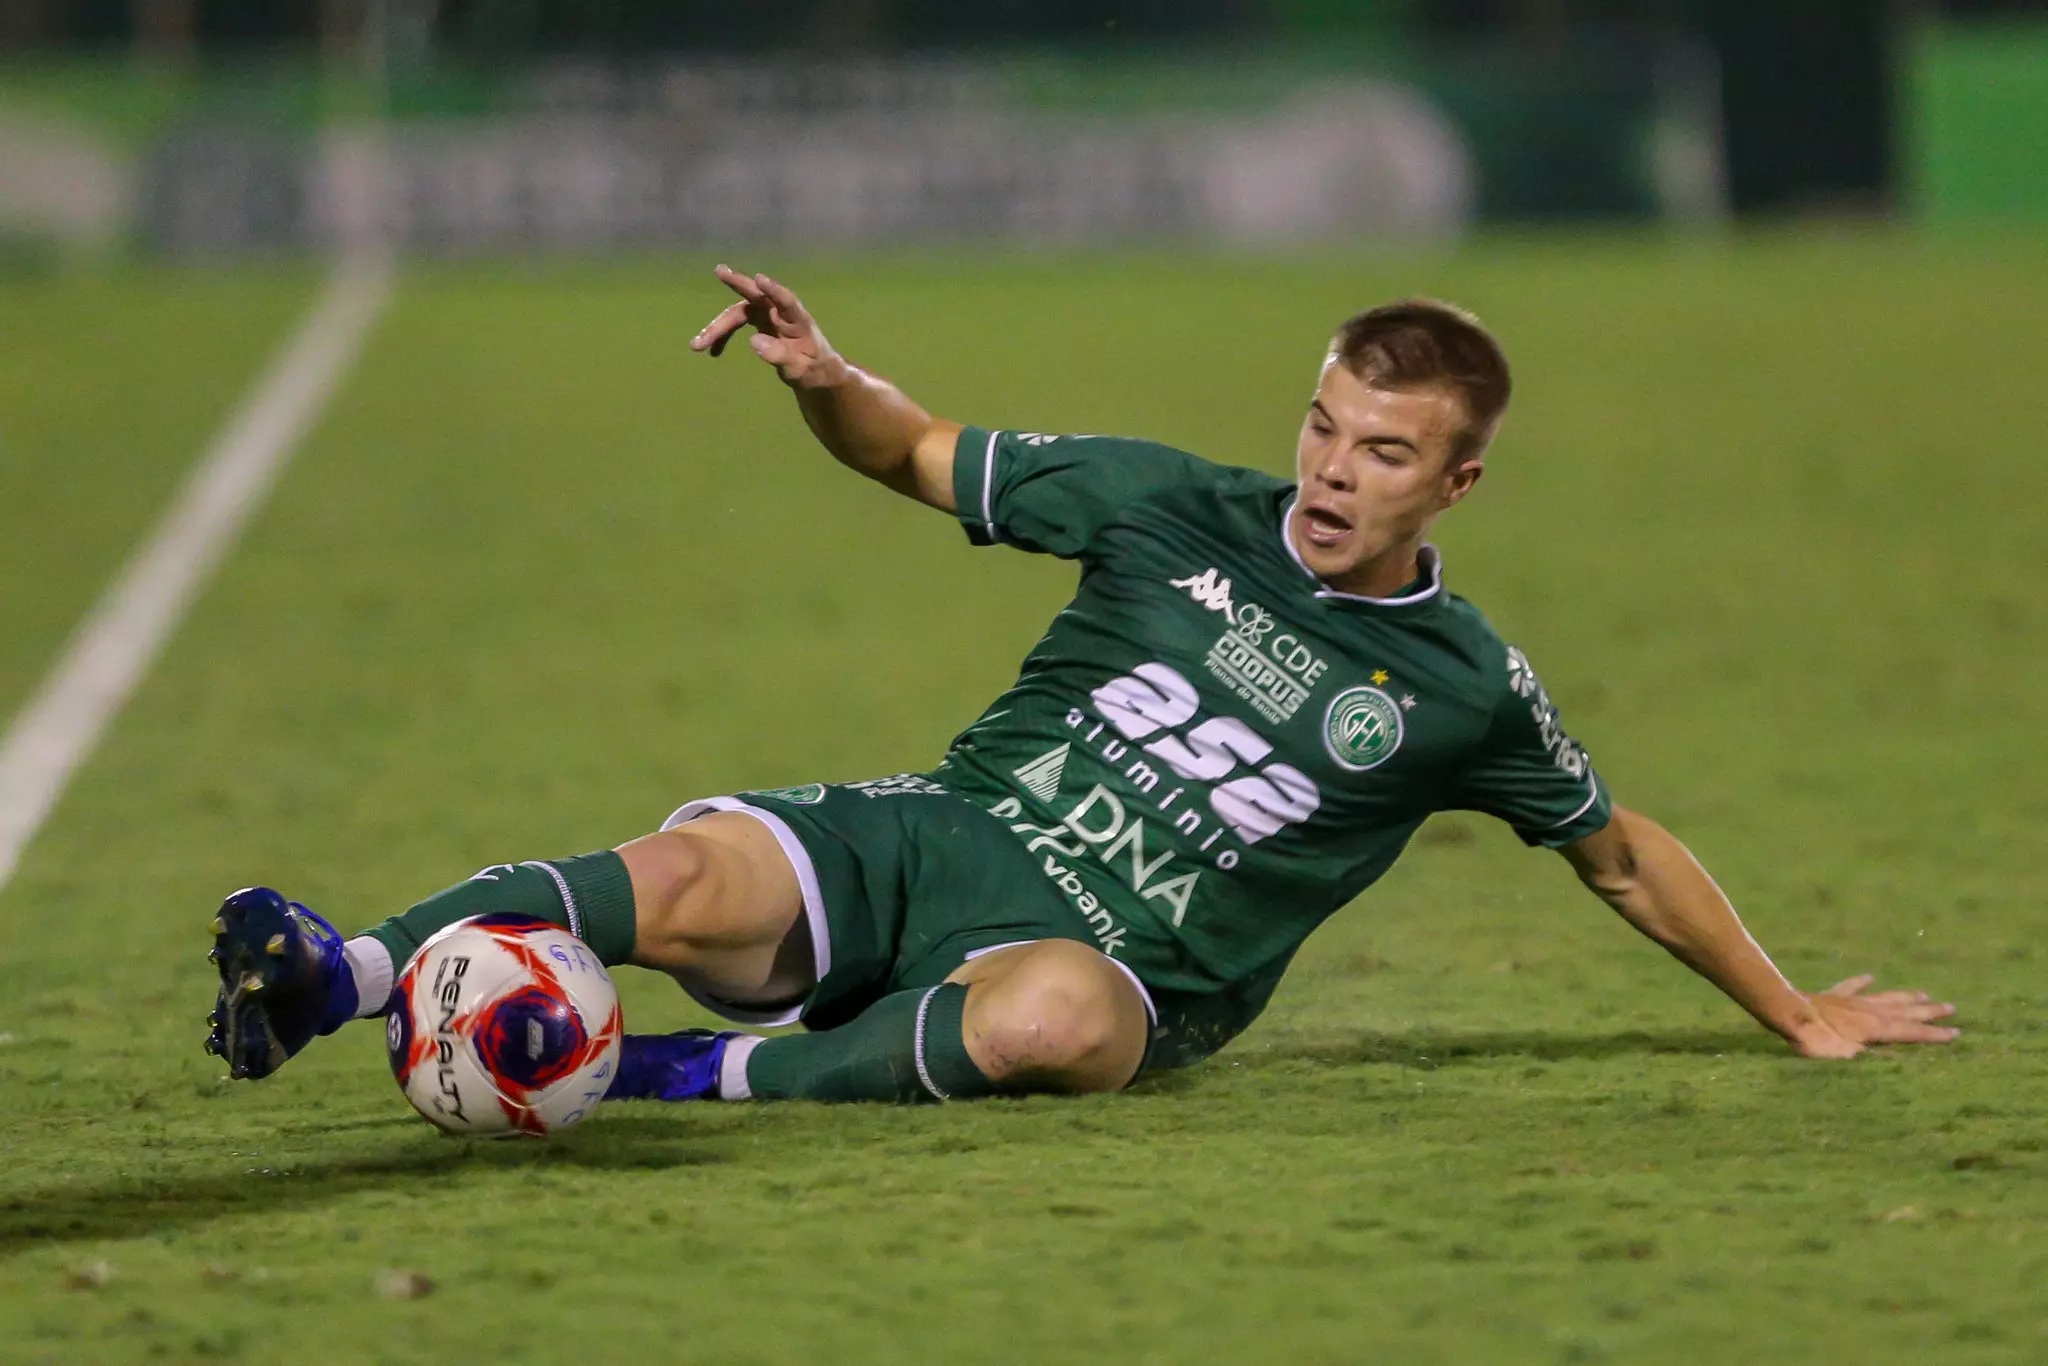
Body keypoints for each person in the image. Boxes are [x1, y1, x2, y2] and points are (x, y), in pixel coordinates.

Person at [206, 265, 1959, 1104]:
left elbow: (1619, 850)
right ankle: (342, 969)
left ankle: (677, 1078)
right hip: (949, 835)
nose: (1336, 471)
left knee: (1047, 1023)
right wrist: (825, 372)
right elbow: (911, 452)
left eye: (1386, 451)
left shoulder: (1462, 687)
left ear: (1455, 484)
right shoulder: (1164, 503)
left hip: (1121, 971)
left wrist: (1793, 1006)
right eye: (1324, 427)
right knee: (678, 877)